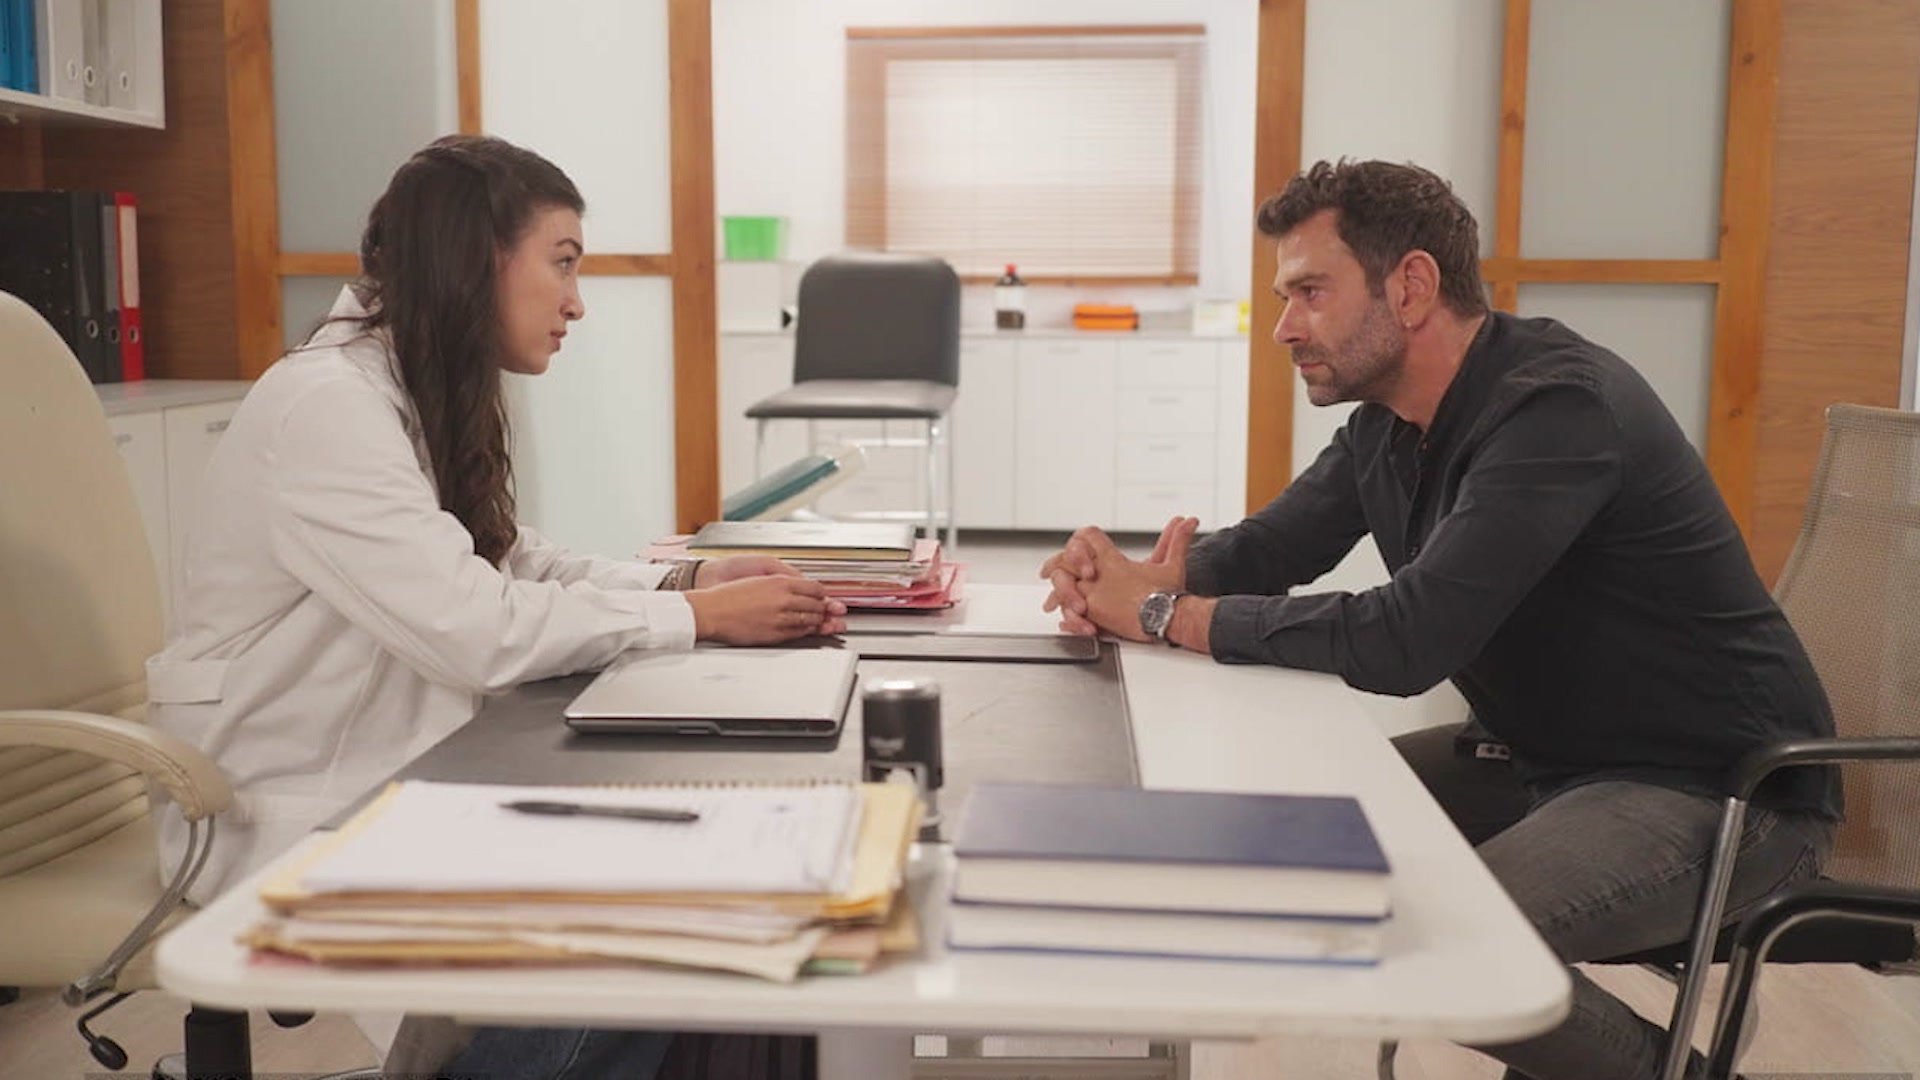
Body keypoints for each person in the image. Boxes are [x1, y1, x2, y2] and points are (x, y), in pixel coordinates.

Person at [1040, 159, 1839, 1080]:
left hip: (1719, 792)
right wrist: (1131, 577)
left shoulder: (1556, 411)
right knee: (1296, 843)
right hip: (1547, 761)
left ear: (1411, 287)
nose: (1285, 326)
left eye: (1309, 292)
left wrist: (1163, 612)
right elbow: (1271, 547)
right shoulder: (1389, 422)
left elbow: (1405, 639)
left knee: (1461, 950)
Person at [146, 134, 840, 1079]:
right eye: (563, 263)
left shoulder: (408, 385)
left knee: (726, 896)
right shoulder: (327, 406)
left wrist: (684, 584)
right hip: (282, 800)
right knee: (674, 935)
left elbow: (507, 556)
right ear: (478, 260)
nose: (577, 302)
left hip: (396, 767)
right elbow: (477, 628)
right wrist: (698, 620)